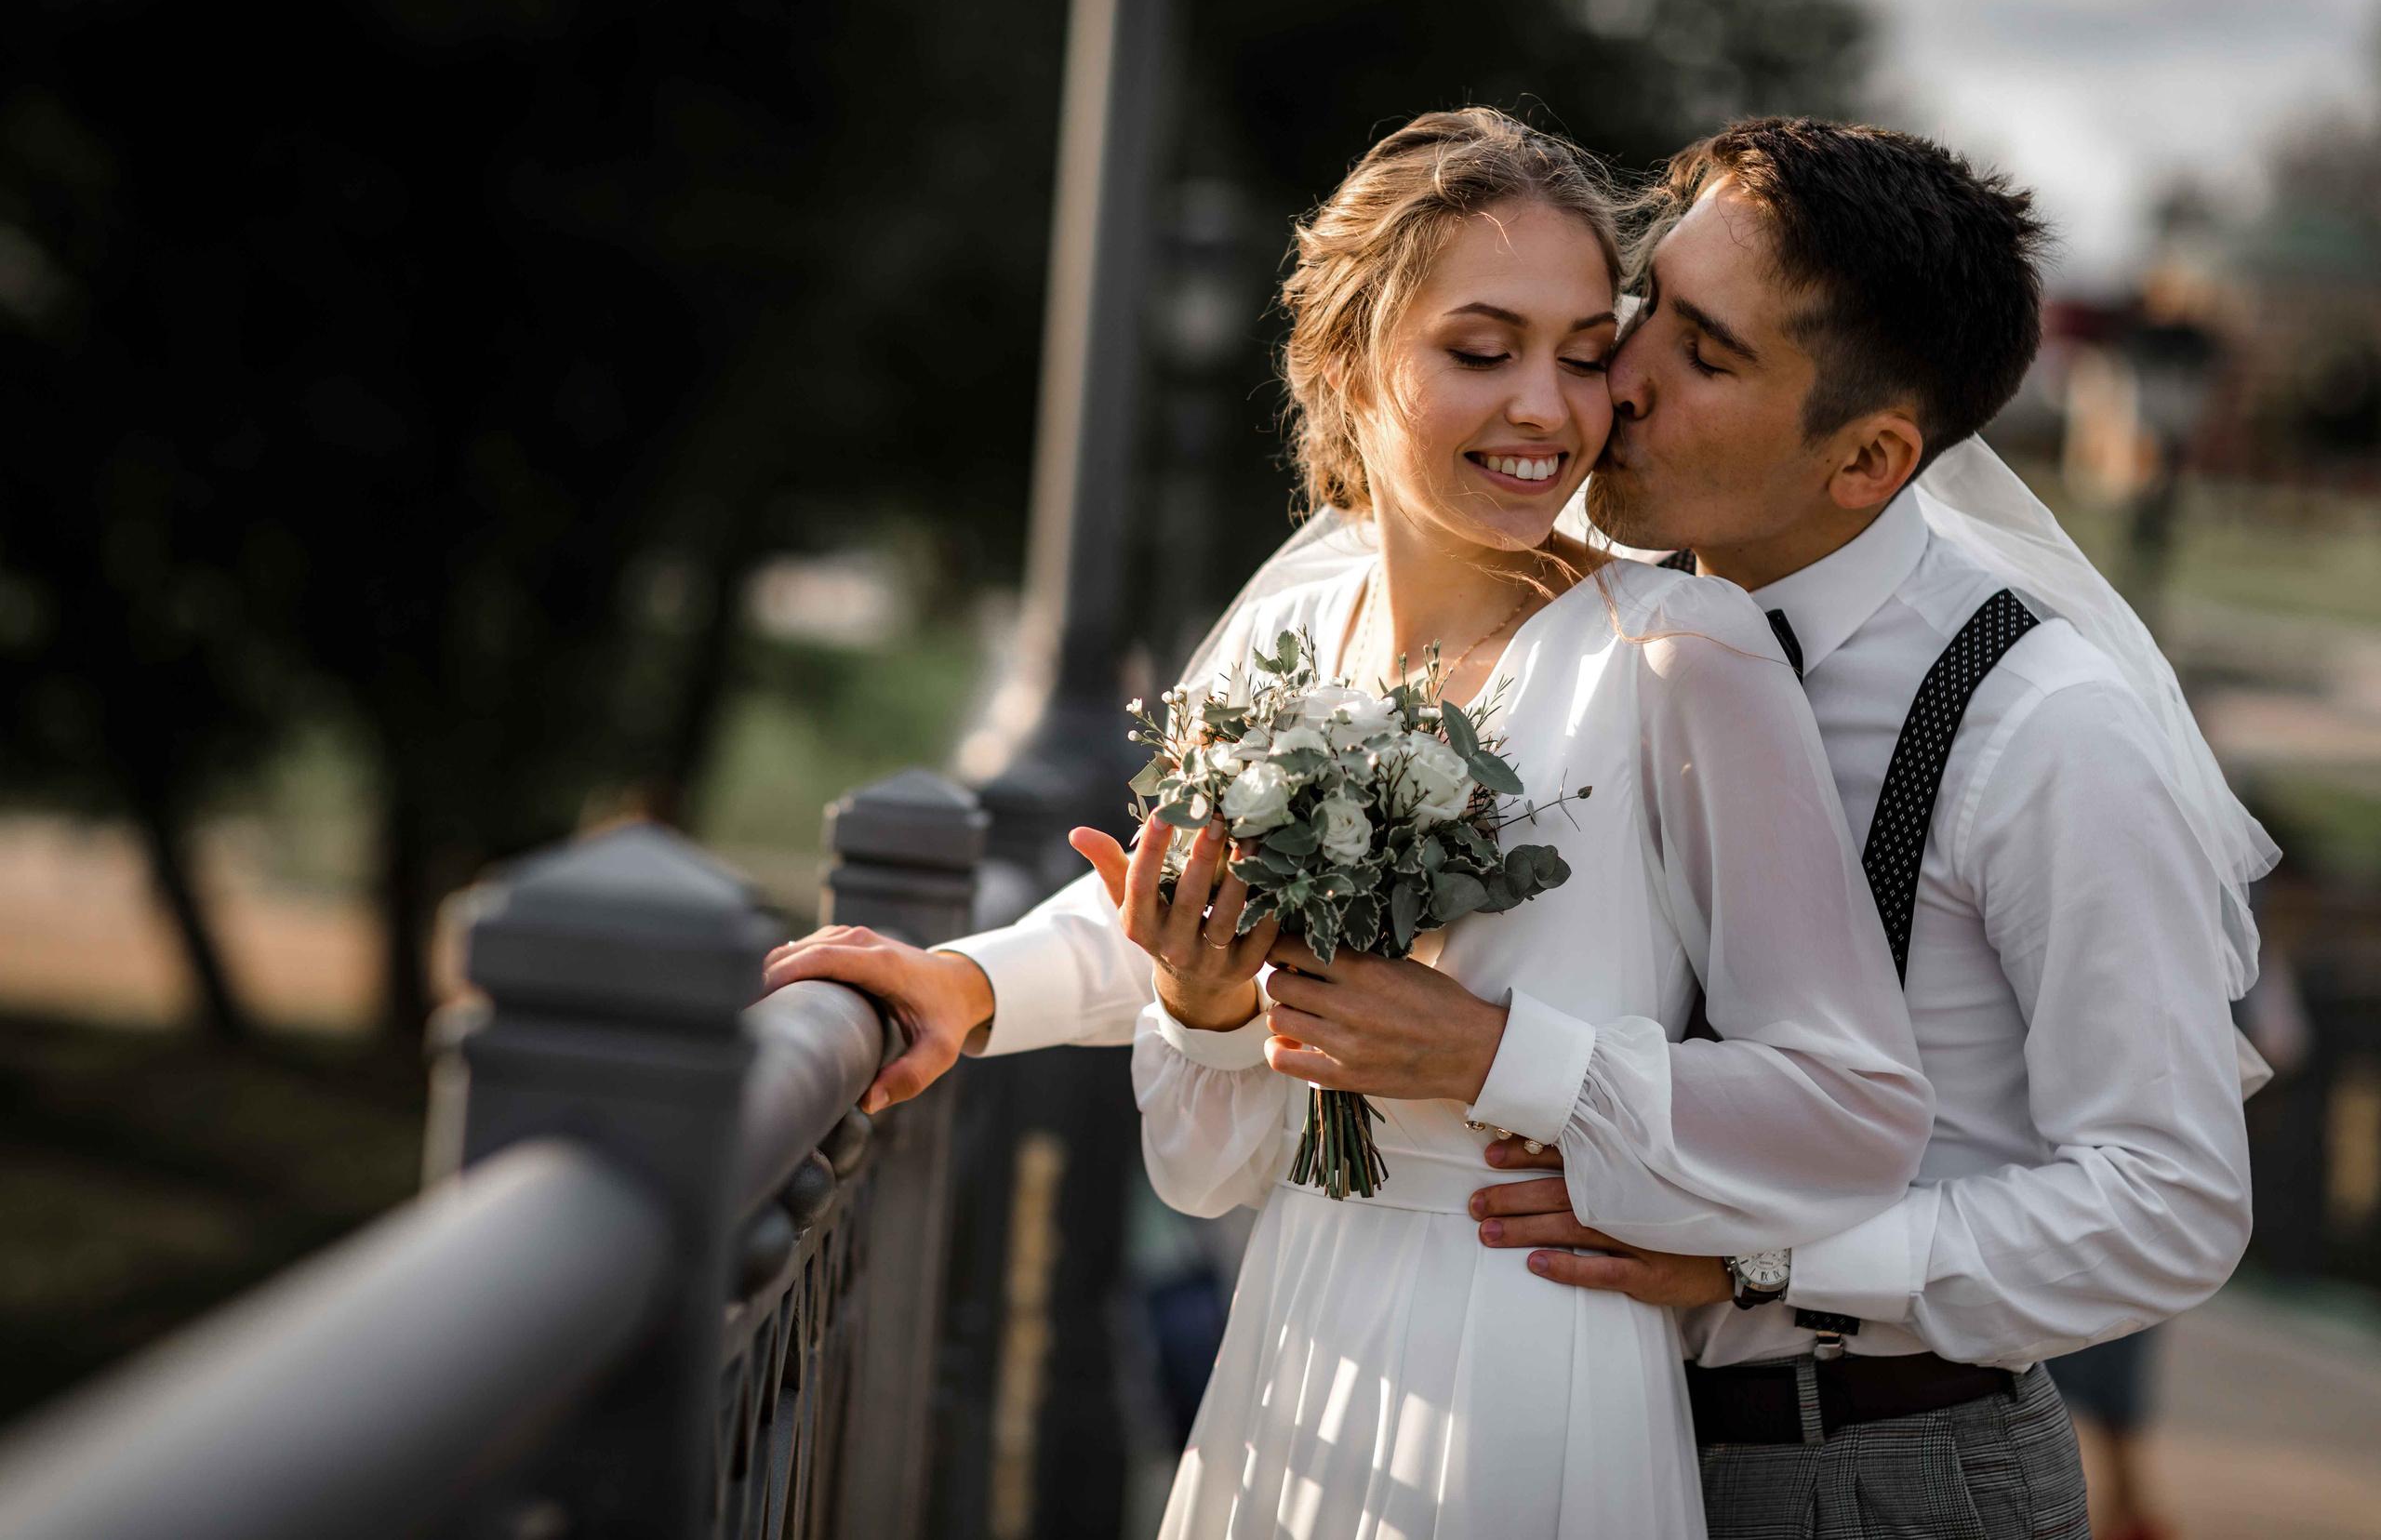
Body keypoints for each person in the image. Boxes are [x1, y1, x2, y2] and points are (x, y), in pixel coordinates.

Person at [775, 108, 1935, 1538]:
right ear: (1345, 362)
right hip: (1297, 1328)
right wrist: (974, 985)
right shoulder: (1301, 617)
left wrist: (1508, 1060)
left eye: (1584, 354)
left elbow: (1855, 1109)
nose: (1548, 409)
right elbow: (1158, 918)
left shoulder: (1684, 656)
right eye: (1480, 348)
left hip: (1532, 1358)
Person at [1462, 118, 2272, 1539]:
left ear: (1869, 458)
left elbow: (2171, 1203)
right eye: (1648, 301)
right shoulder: (1583, 620)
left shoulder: (2041, 729)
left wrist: (1764, 1259)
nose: (1622, 372)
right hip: (1578, 1442)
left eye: (1704, 356)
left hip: (1873, 1473)